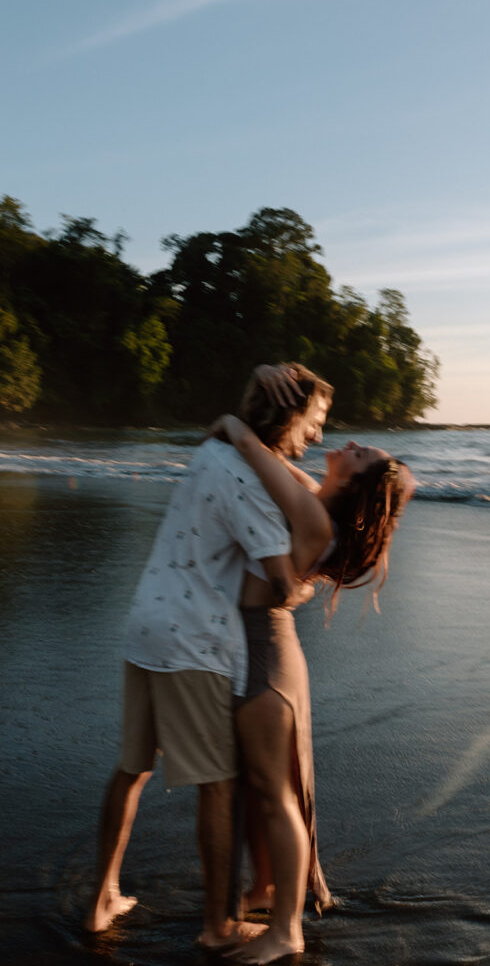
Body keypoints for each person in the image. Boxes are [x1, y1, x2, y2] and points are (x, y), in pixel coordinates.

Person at [83, 363, 332, 952]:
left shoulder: (213, 451)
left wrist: (233, 422)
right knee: (218, 787)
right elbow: (278, 583)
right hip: (192, 641)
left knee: (131, 769)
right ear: (289, 413)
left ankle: (102, 899)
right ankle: (219, 927)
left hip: (145, 623)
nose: (318, 436)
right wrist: (307, 587)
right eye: (316, 420)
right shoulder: (247, 478)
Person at [214, 375, 415, 965]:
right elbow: (279, 463)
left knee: (276, 797)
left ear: (357, 480)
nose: (348, 446)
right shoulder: (315, 498)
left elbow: (252, 449)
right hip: (264, 652)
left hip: (266, 660)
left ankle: (287, 932)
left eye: (362, 456)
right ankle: (263, 891)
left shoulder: (311, 510)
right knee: (264, 793)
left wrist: (230, 424)